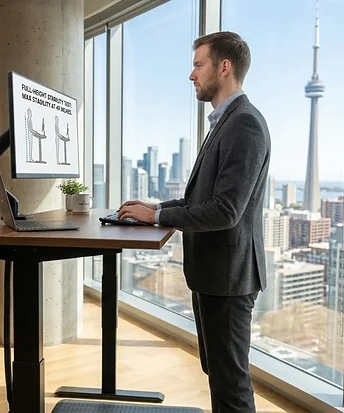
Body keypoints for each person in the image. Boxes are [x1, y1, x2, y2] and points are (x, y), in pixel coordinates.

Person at [118, 31, 270, 413]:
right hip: (214, 275)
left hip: (229, 278)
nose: (191, 75)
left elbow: (225, 210)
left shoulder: (245, 124)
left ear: (224, 67)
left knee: (231, 384)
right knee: (219, 375)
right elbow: (200, 199)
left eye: (198, 65)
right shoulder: (224, 122)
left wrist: (156, 216)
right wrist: (153, 207)